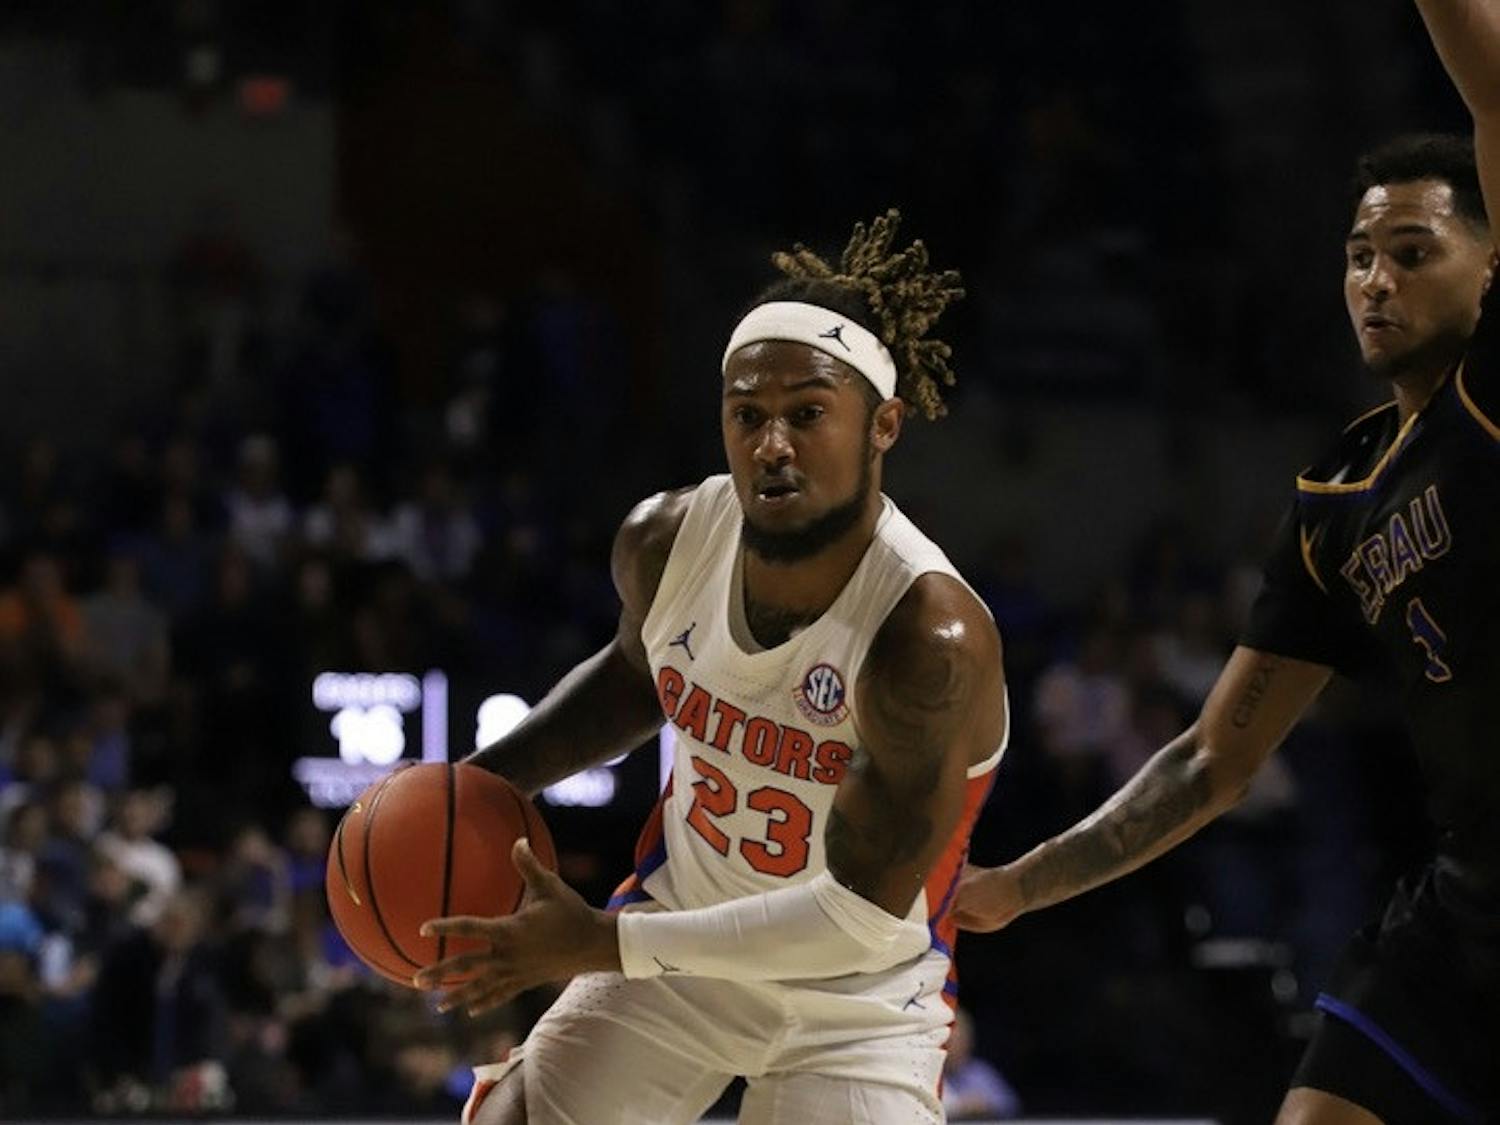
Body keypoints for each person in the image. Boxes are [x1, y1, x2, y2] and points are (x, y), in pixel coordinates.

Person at [955, 6, 1500, 1121]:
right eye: (1358, 258)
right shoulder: (1338, 494)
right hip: (1469, 903)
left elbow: (1495, 92)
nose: (1374, 282)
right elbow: (1214, 764)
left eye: (1411, 253)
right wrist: (1021, 886)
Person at [414, 210, 1009, 1125]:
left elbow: (856, 916)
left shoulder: (925, 636)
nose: (773, 445)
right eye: (749, 416)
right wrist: (471, 790)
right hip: (681, 952)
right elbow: (632, 678)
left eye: (808, 415)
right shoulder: (665, 540)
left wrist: (603, 943)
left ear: (883, 425)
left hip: (852, 997)